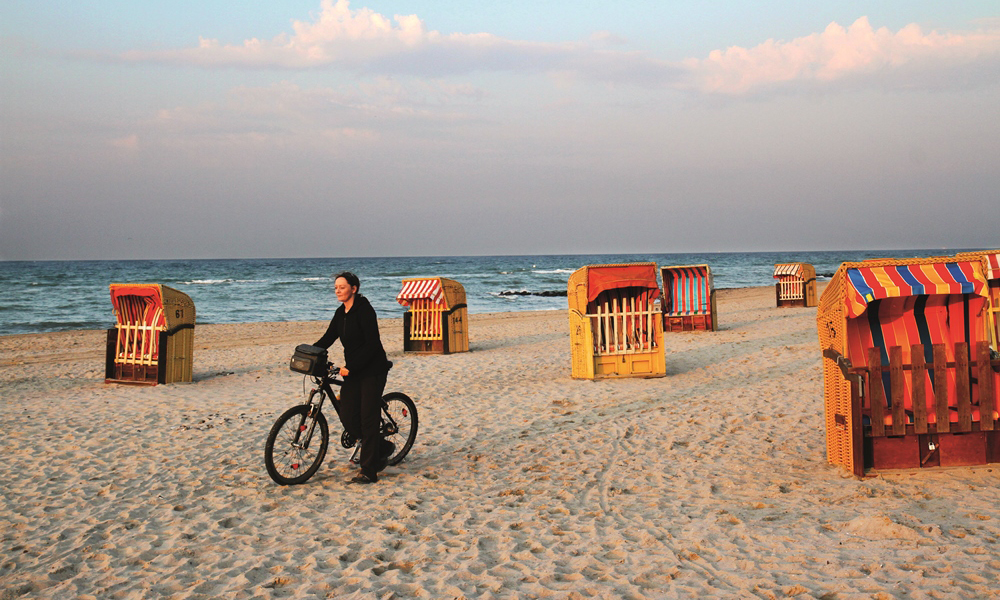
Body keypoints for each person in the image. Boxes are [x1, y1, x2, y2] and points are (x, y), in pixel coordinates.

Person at [314, 271, 394, 484]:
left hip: (372, 370)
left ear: (354, 288)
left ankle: (368, 470)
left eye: (342, 286)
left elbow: (372, 344)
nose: (338, 290)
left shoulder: (365, 310)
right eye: (336, 287)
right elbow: (328, 337)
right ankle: (383, 446)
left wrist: (352, 366)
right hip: (353, 371)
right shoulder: (341, 313)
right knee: (348, 416)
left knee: (368, 420)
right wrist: (309, 352)